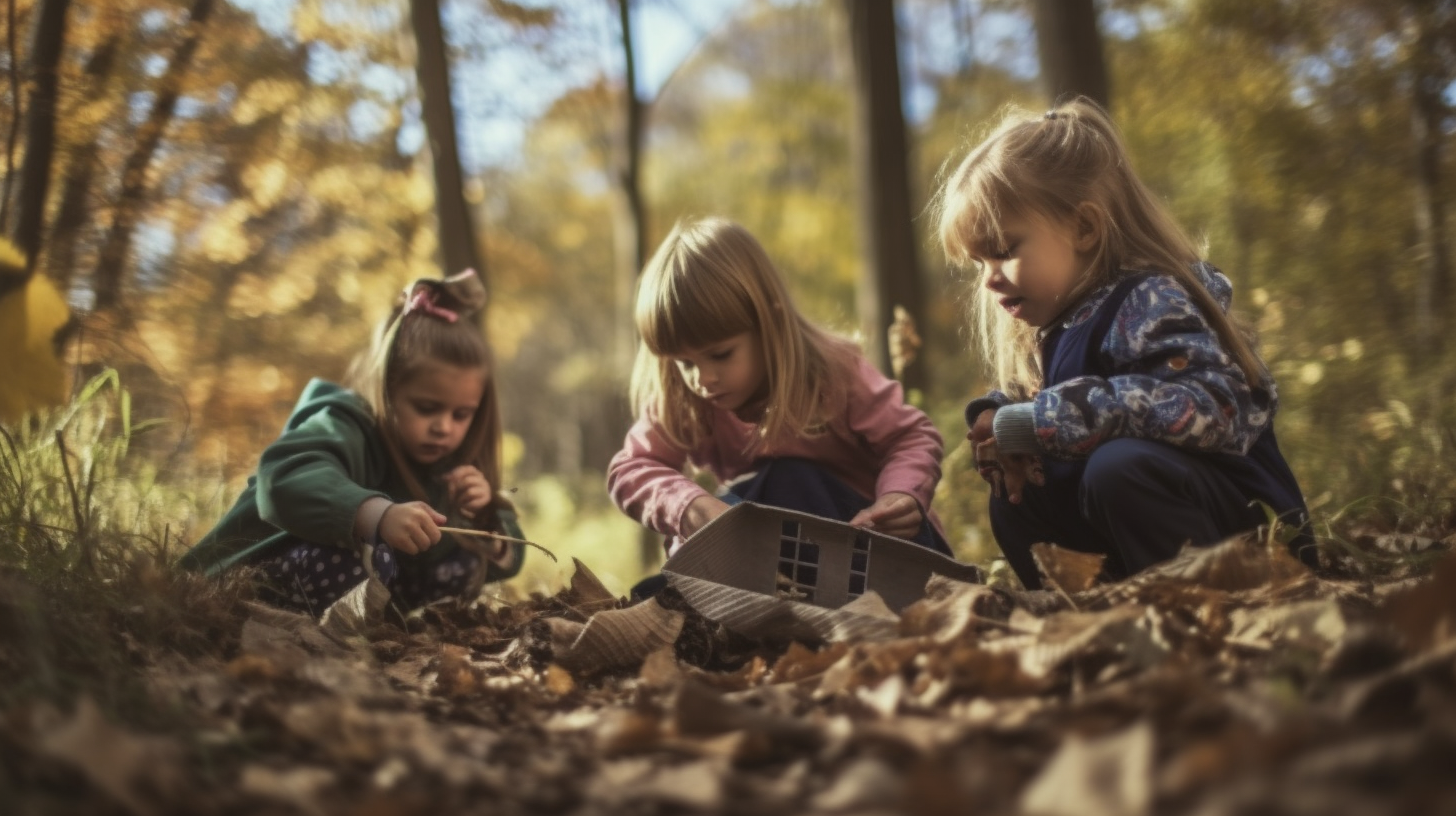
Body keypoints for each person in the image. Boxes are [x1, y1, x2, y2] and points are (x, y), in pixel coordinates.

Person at [936, 97, 1312, 590]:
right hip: (1130, 528)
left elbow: (1214, 405)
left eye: (1004, 252)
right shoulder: (1053, 329)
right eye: (979, 263)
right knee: (1018, 499)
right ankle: (1080, 611)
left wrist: (1050, 419)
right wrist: (1002, 419)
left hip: (1239, 527)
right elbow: (1051, 402)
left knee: (1120, 469)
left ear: (1085, 228)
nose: (989, 280)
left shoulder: (1152, 299)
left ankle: (1210, 604)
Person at [608, 216, 952, 582]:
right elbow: (630, 468)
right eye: (683, 362)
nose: (702, 379)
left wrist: (901, 496)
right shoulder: (682, 398)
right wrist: (688, 507)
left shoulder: (831, 372)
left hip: (888, 553)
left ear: (768, 324)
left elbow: (911, 437)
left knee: (786, 478)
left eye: (721, 354)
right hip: (790, 567)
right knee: (719, 524)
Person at [180, 269, 525, 615]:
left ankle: (380, 625)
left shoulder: (448, 464)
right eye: (426, 408)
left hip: (367, 593)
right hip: (250, 574)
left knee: (464, 562)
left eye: (461, 414)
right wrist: (375, 514)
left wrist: (484, 517)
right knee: (349, 561)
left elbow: (501, 562)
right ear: (386, 390)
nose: (444, 427)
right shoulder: (344, 423)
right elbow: (282, 481)